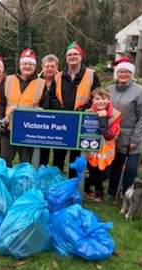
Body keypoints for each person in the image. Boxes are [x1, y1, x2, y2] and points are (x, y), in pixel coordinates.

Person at [0, 48, 61, 167]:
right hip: (8, 129)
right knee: (5, 160)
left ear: (35, 66)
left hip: (28, 131)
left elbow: (44, 108)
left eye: (30, 64)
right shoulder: (8, 80)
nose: (27, 66)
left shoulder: (41, 83)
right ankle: (6, 184)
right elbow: (1, 104)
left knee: (25, 162)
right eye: (24, 63)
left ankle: (23, 184)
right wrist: (0, 123)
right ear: (20, 64)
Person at [53, 41, 101, 178]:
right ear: (66, 58)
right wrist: (61, 109)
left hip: (81, 122)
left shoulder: (92, 75)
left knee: (76, 157)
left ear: (81, 56)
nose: (72, 57)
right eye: (69, 55)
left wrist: (81, 110)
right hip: (62, 122)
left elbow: (96, 98)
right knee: (58, 155)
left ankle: (73, 185)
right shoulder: (59, 76)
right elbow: (52, 97)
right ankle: (58, 184)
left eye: (75, 54)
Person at [105, 61, 142, 200]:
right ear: (116, 74)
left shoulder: (140, 91)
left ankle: (127, 195)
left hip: (132, 137)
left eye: (127, 72)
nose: (123, 74)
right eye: (120, 71)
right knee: (115, 167)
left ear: (131, 74)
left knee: (130, 169)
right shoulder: (109, 89)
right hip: (114, 136)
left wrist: (135, 138)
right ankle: (112, 192)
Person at [84, 87, 122, 202]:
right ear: (93, 101)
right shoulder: (88, 113)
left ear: (108, 99)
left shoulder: (116, 115)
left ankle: (85, 184)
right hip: (92, 150)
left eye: (104, 98)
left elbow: (109, 135)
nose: (101, 101)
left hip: (106, 150)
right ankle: (99, 191)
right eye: (97, 99)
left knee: (104, 174)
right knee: (94, 170)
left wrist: (103, 119)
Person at [38, 54, 62, 166]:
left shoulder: (62, 80)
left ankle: (57, 175)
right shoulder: (37, 81)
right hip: (41, 122)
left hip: (59, 121)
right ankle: (42, 174)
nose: (50, 68)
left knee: (59, 152)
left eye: (53, 66)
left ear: (57, 67)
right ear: (42, 67)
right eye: (47, 66)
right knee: (42, 151)